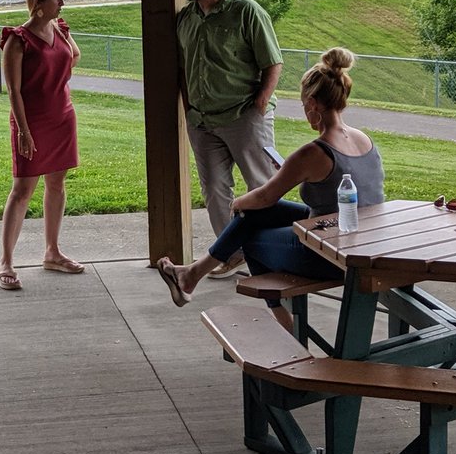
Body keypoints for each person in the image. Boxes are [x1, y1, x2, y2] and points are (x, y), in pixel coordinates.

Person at [155, 48, 384, 329]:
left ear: (312, 103)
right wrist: (291, 174)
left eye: (303, 106)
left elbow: (265, 196)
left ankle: (284, 324)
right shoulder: (364, 140)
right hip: (362, 240)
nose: (304, 113)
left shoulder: (313, 152)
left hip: (329, 253)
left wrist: (237, 203)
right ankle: (190, 275)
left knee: (248, 231)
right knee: (256, 216)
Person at [176, 0, 283, 278]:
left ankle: (275, 254)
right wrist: (188, 106)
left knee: (262, 187)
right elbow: (182, 67)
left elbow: (273, 62)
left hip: (244, 117)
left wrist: (259, 106)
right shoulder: (185, 18)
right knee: (215, 190)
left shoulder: (247, 12)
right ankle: (233, 255)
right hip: (202, 121)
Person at [0, 0, 84, 290]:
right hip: (31, 122)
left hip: (62, 117)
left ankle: (52, 252)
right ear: (38, 3)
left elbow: (74, 55)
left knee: (57, 185)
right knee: (22, 191)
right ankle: (5, 262)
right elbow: (14, 92)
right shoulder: (17, 40)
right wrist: (23, 130)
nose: (62, 2)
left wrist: (57, 79)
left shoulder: (60, 29)